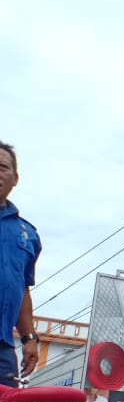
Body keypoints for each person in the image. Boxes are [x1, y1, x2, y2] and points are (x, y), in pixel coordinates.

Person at [0, 142, 40, 387]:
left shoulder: (27, 234)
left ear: (15, 178)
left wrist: (29, 338)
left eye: (3, 167)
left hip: (3, 349)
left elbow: (22, 288)